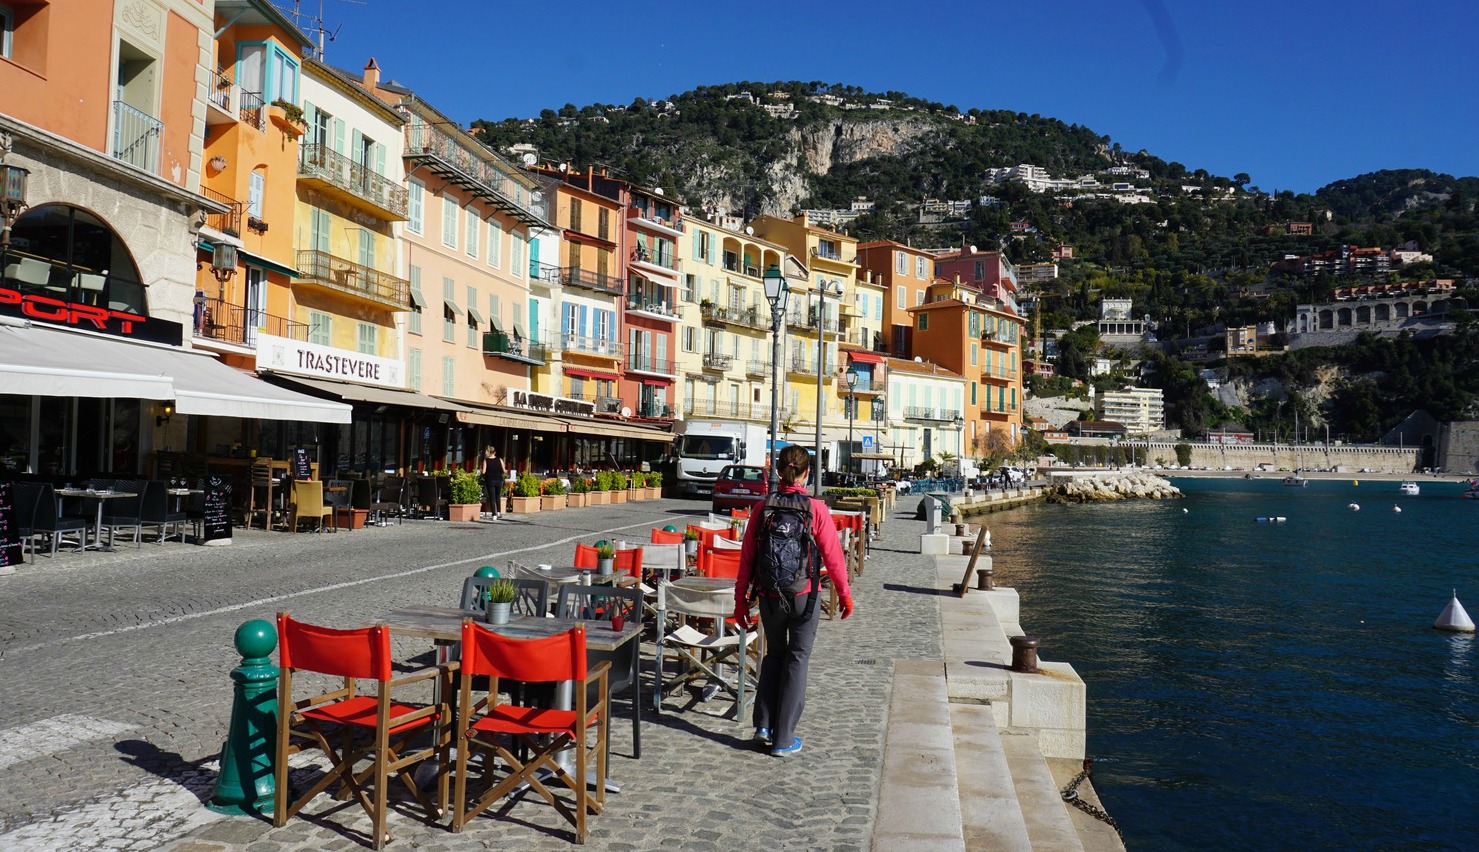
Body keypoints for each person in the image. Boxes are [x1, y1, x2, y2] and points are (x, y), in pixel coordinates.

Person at [732, 445, 853, 757]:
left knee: (774, 655)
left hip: (769, 595)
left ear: (778, 471)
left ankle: (763, 724)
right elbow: (834, 559)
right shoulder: (816, 509)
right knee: (797, 659)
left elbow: (746, 559)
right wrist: (845, 595)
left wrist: (740, 601)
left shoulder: (761, 509)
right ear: (807, 473)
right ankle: (783, 739)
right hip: (803, 597)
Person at [480, 445, 505, 520]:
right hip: (499, 480)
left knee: (492, 497)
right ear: (495, 452)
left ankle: (494, 514)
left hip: (490, 480)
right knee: (498, 496)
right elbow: (504, 470)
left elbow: (483, 472)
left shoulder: (486, 460)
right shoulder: (500, 460)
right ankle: (499, 512)